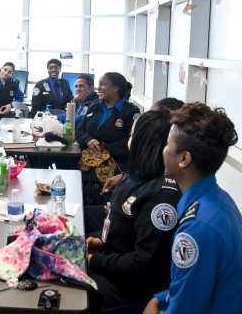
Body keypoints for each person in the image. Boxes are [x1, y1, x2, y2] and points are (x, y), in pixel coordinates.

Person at [143, 102, 242, 314]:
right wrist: (158, 299)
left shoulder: (197, 229)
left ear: (184, 159)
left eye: (167, 144)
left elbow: (185, 309)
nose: (163, 150)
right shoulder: (221, 200)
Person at [86, 111, 181, 311]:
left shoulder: (160, 197)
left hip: (131, 288)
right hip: (114, 266)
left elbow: (145, 263)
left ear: (142, 142)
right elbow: (120, 229)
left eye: (131, 136)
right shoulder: (138, 177)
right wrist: (101, 242)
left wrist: (96, 261)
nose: (128, 142)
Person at [75, 72, 140, 205]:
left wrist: (104, 147)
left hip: (114, 169)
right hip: (88, 166)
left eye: (103, 84)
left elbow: (134, 142)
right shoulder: (93, 107)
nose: (98, 88)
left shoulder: (131, 112)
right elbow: (79, 131)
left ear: (115, 88)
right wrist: (88, 140)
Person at [101, 97, 185, 195]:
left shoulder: (165, 175)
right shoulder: (149, 158)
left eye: (152, 116)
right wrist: (125, 177)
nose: (147, 119)